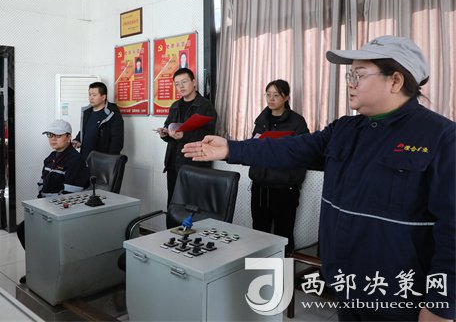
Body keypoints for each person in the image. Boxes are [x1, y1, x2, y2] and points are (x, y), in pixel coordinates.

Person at [182, 36, 455, 322]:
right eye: (349, 75)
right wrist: (231, 148)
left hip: (401, 296)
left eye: (359, 75)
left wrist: (442, 304)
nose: (350, 83)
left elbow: (452, 230)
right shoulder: (344, 130)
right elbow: (290, 148)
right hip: (348, 285)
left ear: (395, 81)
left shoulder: (441, 137)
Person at [16, 119, 89, 283]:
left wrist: (45, 209)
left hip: (62, 212)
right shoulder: (51, 157)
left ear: (68, 137)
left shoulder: (74, 160)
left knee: (28, 231)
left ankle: (47, 270)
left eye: (57, 135)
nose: (52, 139)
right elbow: (42, 184)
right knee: (23, 230)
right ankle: (39, 267)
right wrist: (38, 205)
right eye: (50, 135)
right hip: (47, 207)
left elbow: (69, 197)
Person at [249, 79, 309, 253]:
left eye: (276, 95)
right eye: (268, 95)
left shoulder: (297, 122)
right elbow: (253, 147)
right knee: (259, 233)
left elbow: (304, 152)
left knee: (284, 235)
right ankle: (259, 271)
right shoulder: (261, 120)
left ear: (286, 97)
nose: (271, 99)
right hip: (260, 186)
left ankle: (284, 270)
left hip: (284, 188)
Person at [157, 68, 217, 209]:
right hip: (173, 163)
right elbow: (169, 126)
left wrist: (184, 136)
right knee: (173, 205)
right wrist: (165, 134)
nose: (181, 87)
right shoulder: (175, 106)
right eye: (177, 84)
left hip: (194, 165)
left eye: (184, 82)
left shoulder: (205, 106)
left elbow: (209, 135)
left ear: (194, 82)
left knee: (191, 207)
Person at [72, 82, 124, 160]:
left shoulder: (113, 115)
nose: (91, 98)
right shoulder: (86, 112)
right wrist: (77, 140)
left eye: (94, 95)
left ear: (103, 97)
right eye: (89, 95)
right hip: (85, 158)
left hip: (102, 161)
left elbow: (116, 142)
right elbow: (84, 130)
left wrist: (109, 161)